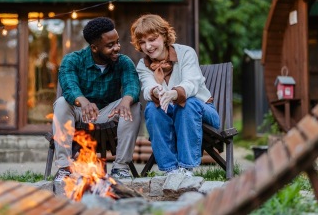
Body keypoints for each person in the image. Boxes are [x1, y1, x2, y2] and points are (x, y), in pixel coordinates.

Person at [52, 17, 141, 182]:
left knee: (133, 104)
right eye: (110, 45)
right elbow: (69, 86)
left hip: (107, 113)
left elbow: (132, 85)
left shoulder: (123, 62)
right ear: (94, 47)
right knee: (62, 103)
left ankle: (121, 168)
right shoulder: (73, 60)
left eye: (117, 42)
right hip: (79, 114)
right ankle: (64, 168)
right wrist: (83, 102)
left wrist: (126, 100)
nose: (117, 48)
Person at [130, 14, 220, 176]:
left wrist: (173, 93)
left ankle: (186, 169)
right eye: (142, 42)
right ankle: (170, 170)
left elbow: (192, 82)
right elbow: (147, 87)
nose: (148, 46)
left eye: (152, 39)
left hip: (203, 111)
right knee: (151, 108)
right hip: (170, 114)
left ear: (164, 36)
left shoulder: (186, 53)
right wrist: (156, 91)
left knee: (187, 104)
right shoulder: (143, 65)